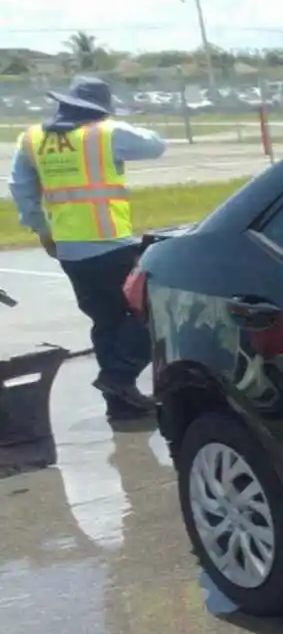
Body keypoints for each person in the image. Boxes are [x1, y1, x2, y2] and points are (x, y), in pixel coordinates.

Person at [9, 75, 168, 421]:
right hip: (109, 242)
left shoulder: (33, 138)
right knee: (150, 311)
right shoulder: (106, 133)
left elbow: (20, 188)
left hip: (67, 248)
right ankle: (119, 377)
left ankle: (121, 403)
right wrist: (112, 120)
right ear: (99, 110)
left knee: (106, 320)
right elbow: (157, 145)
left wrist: (42, 231)